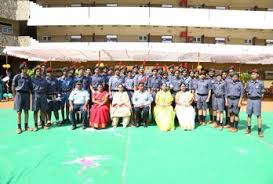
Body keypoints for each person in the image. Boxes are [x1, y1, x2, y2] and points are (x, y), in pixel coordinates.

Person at [12, 62, 32, 134]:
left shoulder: (29, 77)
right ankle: (19, 127)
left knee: (26, 111)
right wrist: (15, 96)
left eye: (26, 68)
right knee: (19, 112)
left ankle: (26, 126)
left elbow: (30, 87)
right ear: (21, 69)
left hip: (26, 94)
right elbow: (13, 86)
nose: (25, 69)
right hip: (19, 94)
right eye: (24, 68)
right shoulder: (17, 76)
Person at [245, 69, 265, 137]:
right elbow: (246, 89)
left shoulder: (261, 83)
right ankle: (249, 129)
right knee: (249, 115)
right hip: (250, 100)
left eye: (254, 74)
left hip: (257, 100)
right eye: (252, 74)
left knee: (258, 115)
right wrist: (248, 93)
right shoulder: (248, 82)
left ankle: (259, 131)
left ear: (257, 75)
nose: (253, 75)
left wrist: (260, 97)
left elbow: (263, 91)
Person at [31, 66, 49, 131]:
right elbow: (30, 87)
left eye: (40, 71)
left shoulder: (44, 79)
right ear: (35, 72)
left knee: (43, 110)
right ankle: (35, 125)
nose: (39, 72)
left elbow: (46, 87)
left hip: (43, 95)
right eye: (37, 71)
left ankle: (43, 124)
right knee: (35, 111)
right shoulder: (32, 79)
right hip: (35, 95)